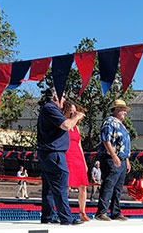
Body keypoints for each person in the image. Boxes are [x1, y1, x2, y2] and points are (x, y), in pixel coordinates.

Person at [36, 88, 84, 225]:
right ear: (56, 97)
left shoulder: (47, 109)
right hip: (54, 153)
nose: (64, 101)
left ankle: (48, 217)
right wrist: (76, 116)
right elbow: (66, 125)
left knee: (49, 188)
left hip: (48, 153)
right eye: (63, 97)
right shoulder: (51, 108)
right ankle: (66, 218)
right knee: (61, 184)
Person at [95, 98, 131, 221]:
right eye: (123, 110)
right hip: (111, 158)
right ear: (115, 110)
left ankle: (115, 211)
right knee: (109, 184)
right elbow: (106, 139)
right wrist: (114, 156)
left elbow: (124, 145)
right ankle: (101, 212)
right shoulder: (109, 122)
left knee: (118, 187)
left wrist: (126, 160)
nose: (125, 113)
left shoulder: (122, 126)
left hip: (121, 159)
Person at [63, 101, 91, 222]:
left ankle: (82, 211)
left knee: (83, 185)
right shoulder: (65, 124)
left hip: (77, 156)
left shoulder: (77, 127)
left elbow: (80, 145)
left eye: (75, 110)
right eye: (71, 110)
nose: (73, 112)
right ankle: (64, 210)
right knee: (66, 185)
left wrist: (84, 162)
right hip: (67, 155)